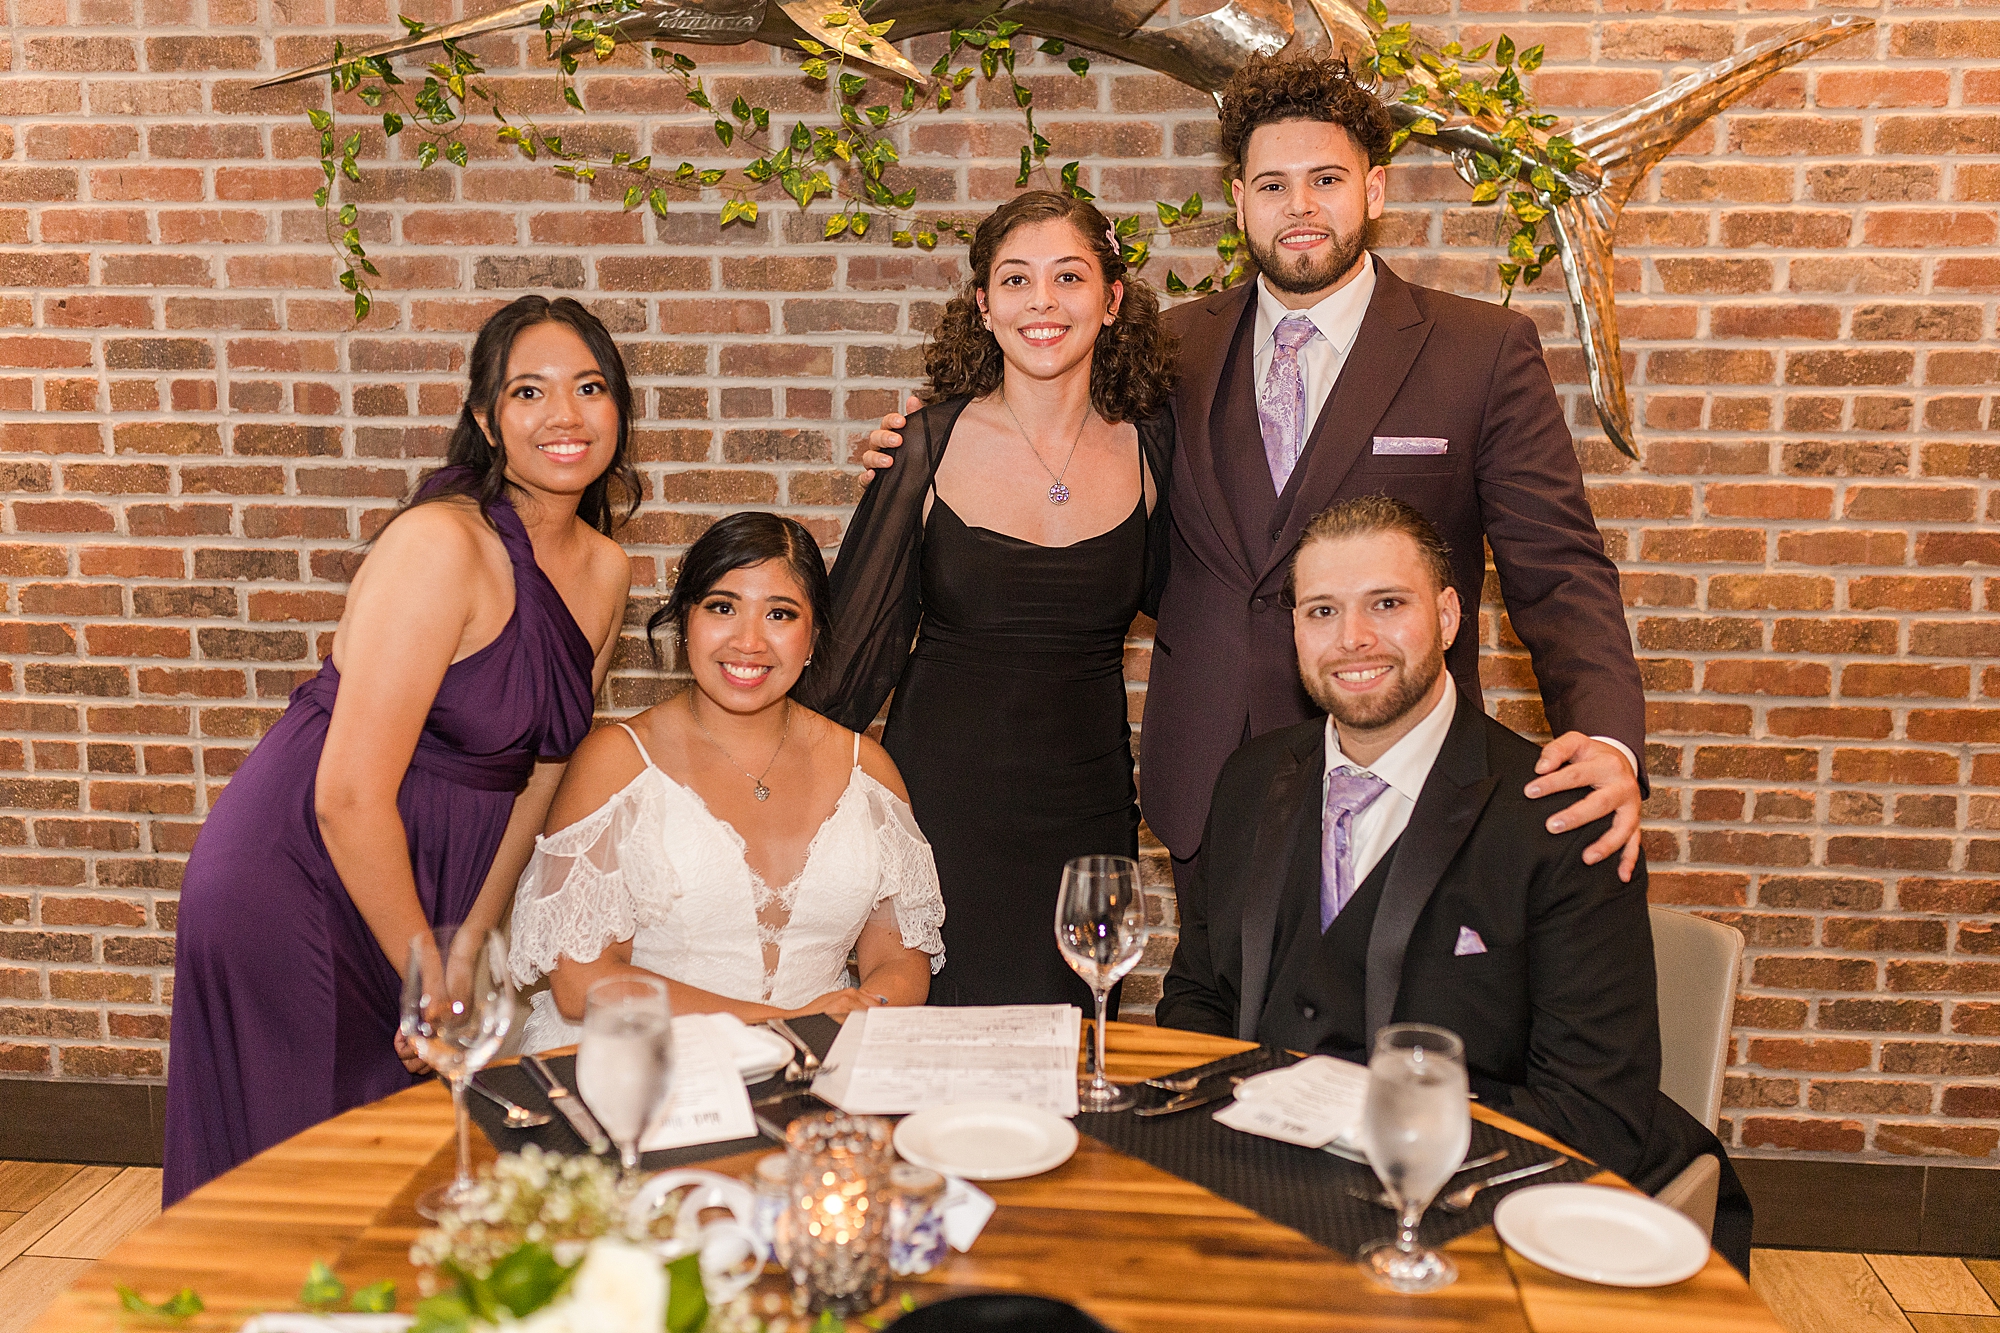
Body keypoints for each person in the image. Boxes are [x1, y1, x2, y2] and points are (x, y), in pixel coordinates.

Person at [861, 55, 1647, 903]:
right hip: (1211, 788)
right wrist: (925, 445)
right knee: (1213, 1031)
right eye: (1272, 184)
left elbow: (1560, 570)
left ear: (1374, 191)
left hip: (1403, 777)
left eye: (1326, 179)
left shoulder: (1481, 352)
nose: (1299, 206)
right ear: (1239, 199)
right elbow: (1064, 435)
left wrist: (1606, 737)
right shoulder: (1174, 353)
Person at [1155, 496, 1748, 1273]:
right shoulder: (1248, 780)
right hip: (1269, 1193)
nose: (1353, 639)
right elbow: (1196, 997)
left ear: (1447, 614)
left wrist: (1374, 1119)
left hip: (1484, 1214)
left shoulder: (1565, 817)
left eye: (1387, 603)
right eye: (1322, 610)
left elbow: (1595, 1116)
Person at [164, 296, 637, 1204]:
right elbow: (345, 795)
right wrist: (428, 977)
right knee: (309, 1177)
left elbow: (541, 772)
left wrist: (468, 946)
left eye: (590, 387)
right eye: (529, 390)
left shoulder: (605, 568)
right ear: (486, 419)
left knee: (409, 1169)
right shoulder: (440, 543)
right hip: (298, 870)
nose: (565, 416)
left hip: (435, 885)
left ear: (620, 406)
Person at [794, 190, 1175, 1012]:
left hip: (1088, 818)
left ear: (1110, 301)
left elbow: (1206, 611)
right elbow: (847, 665)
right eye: (1015, 279)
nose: (1042, 301)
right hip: (942, 814)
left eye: (1068, 276)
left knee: (1070, 1060)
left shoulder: (1155, 446)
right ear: (984, 305)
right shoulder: (922, 446)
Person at [510, 512, 943, 1052]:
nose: (748, 641)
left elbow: (899, 959)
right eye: (722, 607)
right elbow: (581, 983)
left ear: (813, 639)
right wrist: (786, 1024)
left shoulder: (870, 770)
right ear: (685, 620)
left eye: (780, 614)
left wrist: (860, 1011)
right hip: (640, 1066)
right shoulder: (616, 763)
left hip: (825, 1065)